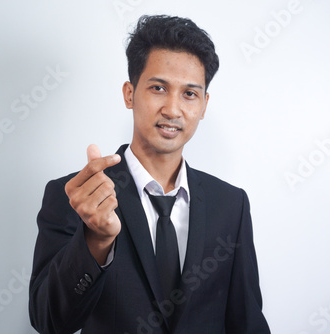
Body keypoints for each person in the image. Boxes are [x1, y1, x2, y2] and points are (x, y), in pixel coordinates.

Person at [29, 15, 270, 334]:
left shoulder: (230, 204)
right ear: (130, 94)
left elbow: (247, 320)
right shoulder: (79, 196)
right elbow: (49, 321)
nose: (172, 109)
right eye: (158, 88)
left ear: (204, 104)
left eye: (189, 94)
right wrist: (96, 239)